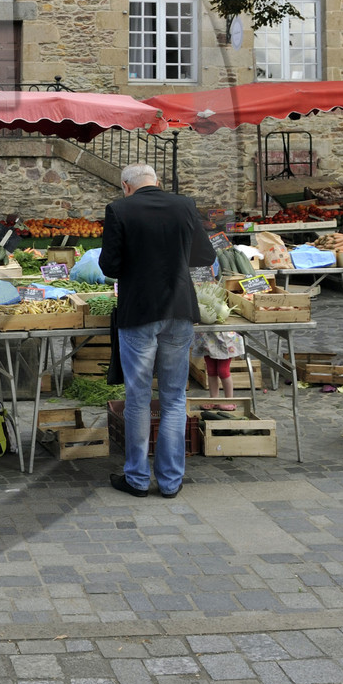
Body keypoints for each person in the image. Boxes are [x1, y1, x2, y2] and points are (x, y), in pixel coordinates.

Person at [99, 163, 215, 500]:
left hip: (139, 311)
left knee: (137, 396)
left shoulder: (119, 209)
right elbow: (204, 255)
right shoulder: (185, 205)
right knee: (174, 397)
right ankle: (170, 481)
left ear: (126, 186)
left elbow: (110, 266)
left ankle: (136, 478)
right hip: (179, 309)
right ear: (157, 182)